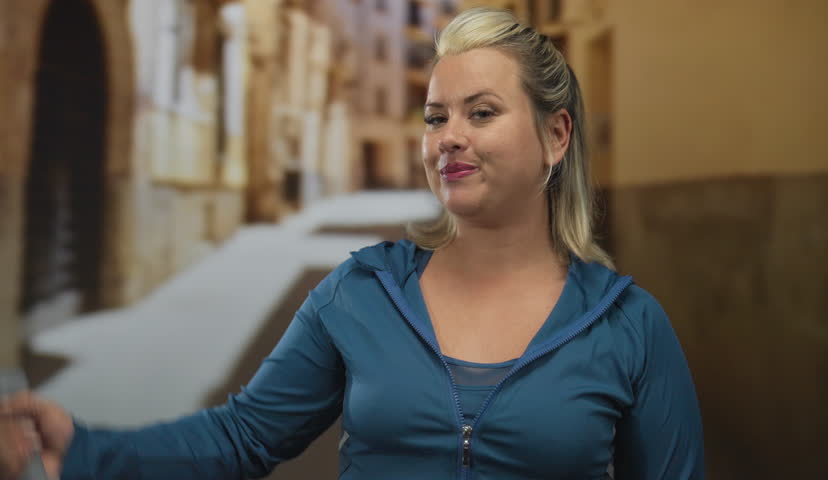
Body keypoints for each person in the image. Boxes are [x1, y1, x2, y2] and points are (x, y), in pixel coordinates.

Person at [0, 7, 704, 479]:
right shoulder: (362, 292)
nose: (448, 136)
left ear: (556, 136)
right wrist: (85, 448)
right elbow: (241, 436)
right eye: (435, 118)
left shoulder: (627, 326)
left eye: (482, 113)